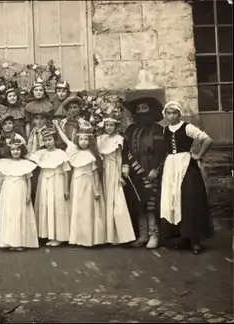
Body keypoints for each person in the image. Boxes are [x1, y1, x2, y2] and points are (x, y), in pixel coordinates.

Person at [160, 101, 214, 255]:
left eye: (174, 113)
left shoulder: (187, 127)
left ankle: (195, 241)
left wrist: (198, 155)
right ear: (165, 114)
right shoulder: (165, 130)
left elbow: (207, 139)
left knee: (189, 200)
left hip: (186, 165)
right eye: (168, 113)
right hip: (171, 166)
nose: (171, 116)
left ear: (179, 114)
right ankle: (184, 237)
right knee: (175, 199)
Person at [122, 96, 167, 250]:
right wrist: (125, 165)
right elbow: (125, 150)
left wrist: (156, 169)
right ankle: (143, 235)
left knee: (151, 202)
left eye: (144, 108)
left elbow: (161, 151)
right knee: (138, 201)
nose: (141, 111)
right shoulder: (130, 129)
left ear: (150, 110)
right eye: (139, 109)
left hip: (150, 167)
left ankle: (154, 234)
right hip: (134, 169)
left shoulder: (156, 128)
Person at [54, 121, 106, 247]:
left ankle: (88, 238)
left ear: (89, 141)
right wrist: (57, 126)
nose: (83, 142)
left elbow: (94, 173)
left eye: (86, 140)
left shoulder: (91, 154)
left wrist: (96, 190)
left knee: (87, 208)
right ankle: (77, 237)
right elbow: (65, 139)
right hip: (76, 183)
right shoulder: (73, 149)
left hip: (88, 184)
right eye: (81, 139)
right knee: (76, 208)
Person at [97, 114, 136, 245]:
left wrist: (120, 175)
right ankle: (105, 235)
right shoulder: (101, 139)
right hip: (103, 170)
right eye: (107, 125)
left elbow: (119, 158)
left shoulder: (118, 139)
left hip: (113, 169)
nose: (109, 127)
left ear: (116, 126)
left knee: (115, 200)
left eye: (111, 125)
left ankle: (117, 235)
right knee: (105, 199)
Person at [29, 127, 71, 247]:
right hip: (44, 180)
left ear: (55, 140)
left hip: (57, 180)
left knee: (56, 206)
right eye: (46, 140)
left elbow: (66, 171)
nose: (48, 142)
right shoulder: (41, 154)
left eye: (50, 139)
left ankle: (59, 236)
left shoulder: (61, 154)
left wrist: (66, 188)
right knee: (45, 205)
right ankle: (46, 233)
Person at [0, 138, 39, 251]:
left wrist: (28, 194)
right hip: (8, 190)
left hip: (21, 189)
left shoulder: (25, 164)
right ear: (9, 151)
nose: (15, 152)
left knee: (20, 213)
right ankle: (9, 241)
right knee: (9, 214)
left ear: (22, 151)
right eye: (13, 149)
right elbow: (1, 179)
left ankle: (20, 241)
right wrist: (0, 190)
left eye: (18, 149)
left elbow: (28, 179)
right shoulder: (4, 163)